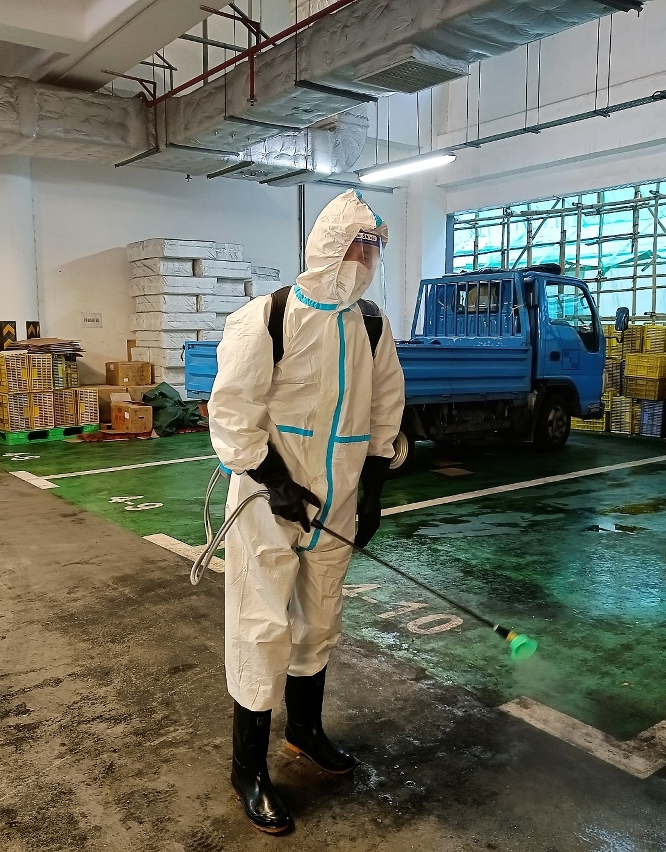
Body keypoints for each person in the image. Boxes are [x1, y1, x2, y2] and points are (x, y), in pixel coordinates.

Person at [208, 190, 406, 834]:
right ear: (327, 247)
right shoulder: (267, 319)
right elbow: (233, 414)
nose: (364, 261)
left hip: (337, 502)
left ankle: (305, 730)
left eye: (372, 250)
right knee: (262, 625)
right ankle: (248, 768)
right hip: (269, 503)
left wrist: (372, 490)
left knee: (320, 617)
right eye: (356, 247)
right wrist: (275, 481)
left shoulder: (371, 326)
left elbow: (385, 412)